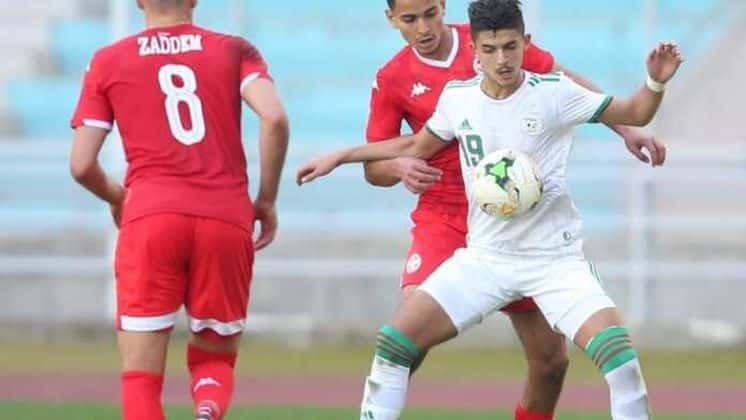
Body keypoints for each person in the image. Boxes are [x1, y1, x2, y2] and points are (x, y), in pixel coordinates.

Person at [296, 0, 683, 418]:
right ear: (476, 54)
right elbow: (409, 147)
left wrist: (650, 90)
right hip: (475, 244)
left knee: (593, 361)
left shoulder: (552, 92)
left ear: (525, 45)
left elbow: (630, 106)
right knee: (397, 341)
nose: (502, 58)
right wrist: (343, 156)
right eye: (491, 50)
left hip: (551, 258)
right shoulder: (452, 98)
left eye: (510, 48)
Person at [69, 1, 289, 419]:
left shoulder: (108, 60)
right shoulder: (234, 50)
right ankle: (206, 408)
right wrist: (267, 199)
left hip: (151, 216)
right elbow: (275, 118)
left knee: (141, 380)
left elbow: (81, 165)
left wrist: (118, 197)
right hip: (225, 216)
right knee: (213, 359)